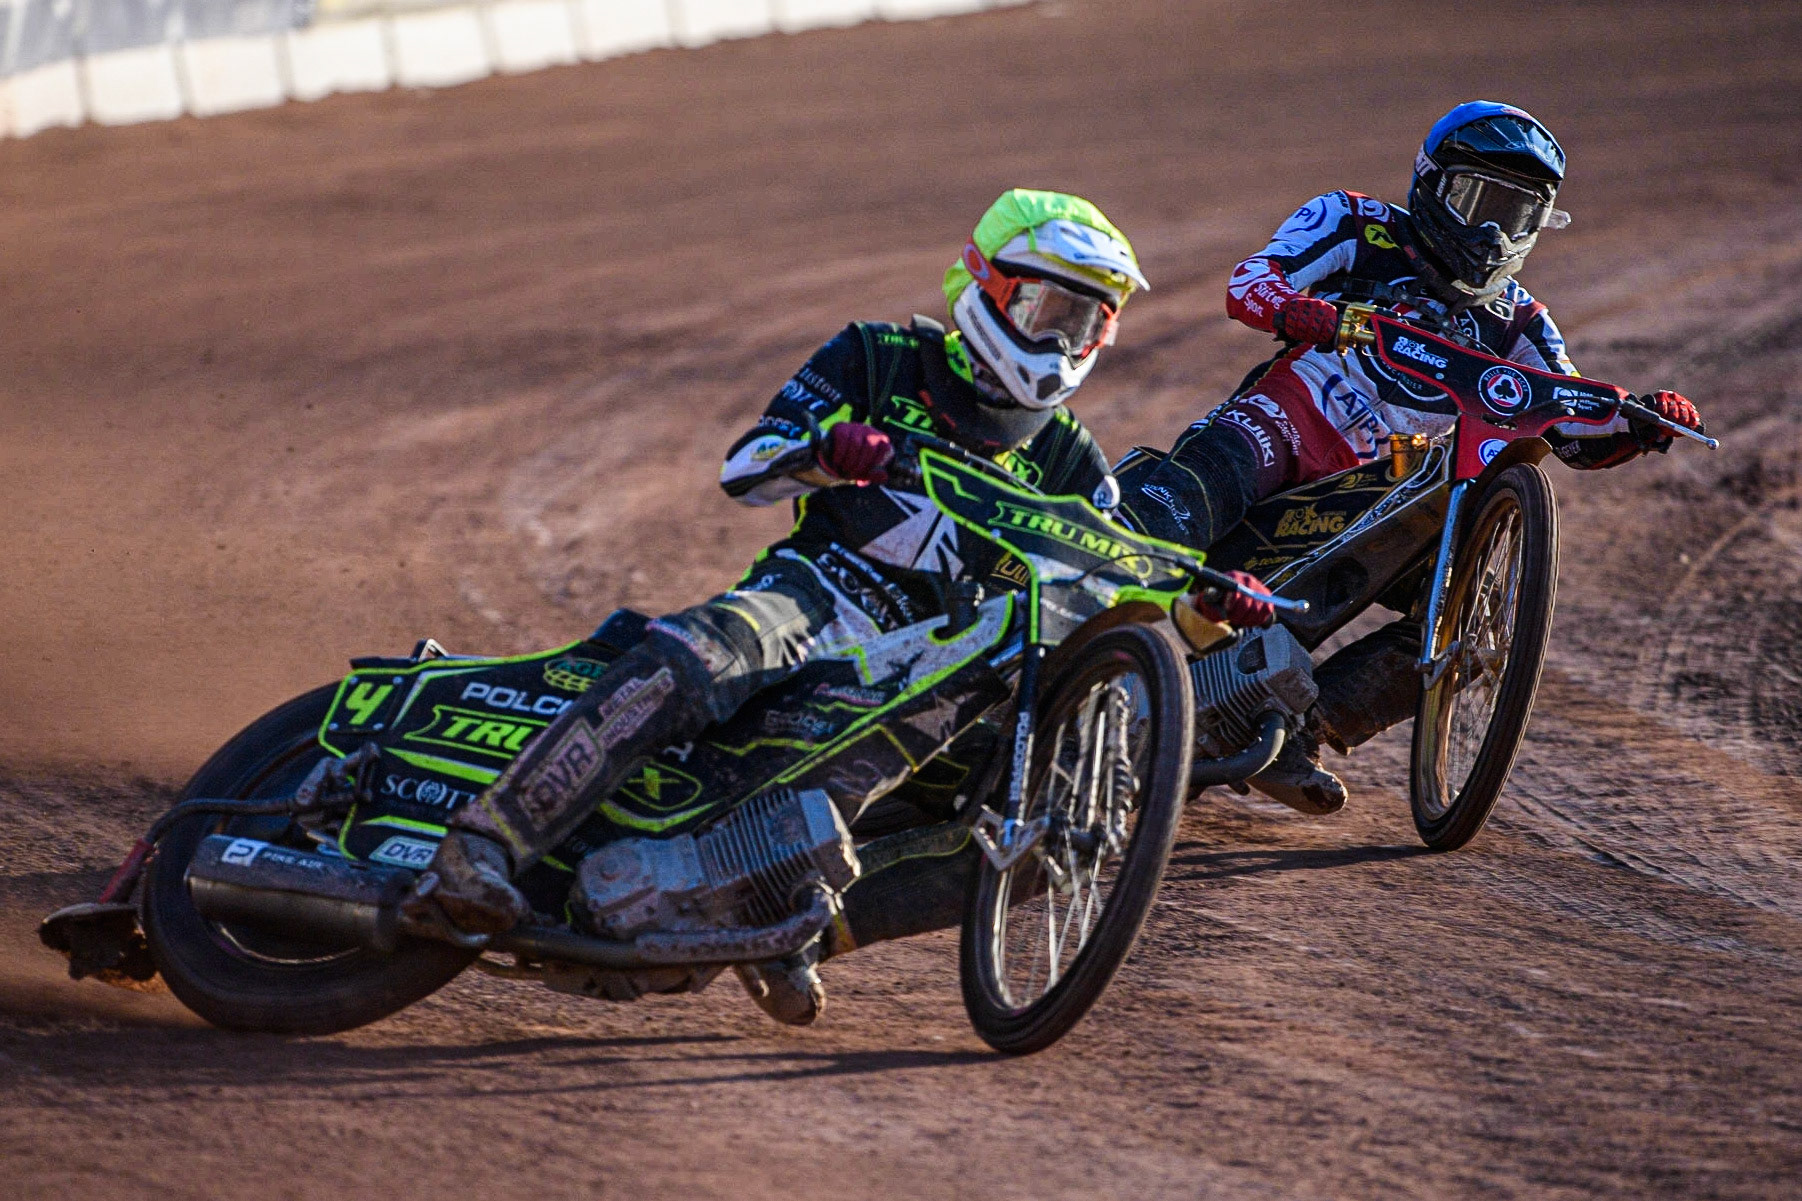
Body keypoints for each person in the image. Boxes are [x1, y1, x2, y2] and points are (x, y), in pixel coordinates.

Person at [414, 189, 1150, 1023]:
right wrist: (826, 454)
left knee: (1037, 832)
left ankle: (788, 924)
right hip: (813, 591)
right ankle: (483, 842)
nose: (1063, 341)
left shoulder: (1072, 458)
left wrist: (1198, 609)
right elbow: (746, 467)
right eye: (1049, 309)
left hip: (925, 666)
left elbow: (1110, 576)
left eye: (1086, 324)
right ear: (987, 286)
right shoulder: (878, 357)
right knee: (694, 661)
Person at [1118, 101, 1706, 815]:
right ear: (1431, 184)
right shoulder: (1355, 223)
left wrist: (1642, 421)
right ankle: (1079, 606)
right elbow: (1250, 282)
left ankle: (1306, 724)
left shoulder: (1523, 321)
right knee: (1190, 491)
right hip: (1292, 417)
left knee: (1462, 602)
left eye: (1515, 213)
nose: (1491, 231)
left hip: (1387, 482)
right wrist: (1304, 310)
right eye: (1476, 199)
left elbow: (1571, 428)